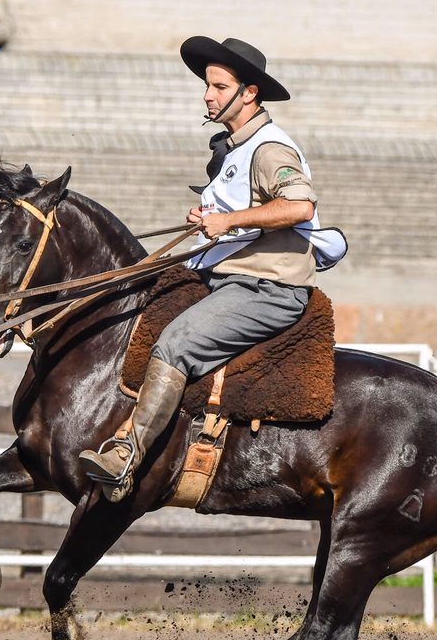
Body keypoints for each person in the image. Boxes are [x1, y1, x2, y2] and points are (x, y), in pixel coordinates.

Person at [79, 36, 346, 502]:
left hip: (269, 289)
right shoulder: (235, 149)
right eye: (208, 85)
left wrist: (228, 220)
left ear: (249, 93)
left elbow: (300, 206)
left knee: (175, 343)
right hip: (227, 277)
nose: (208, 95)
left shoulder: (269, 149)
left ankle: (126, 456)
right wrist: (210, 222)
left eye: (220, 87)